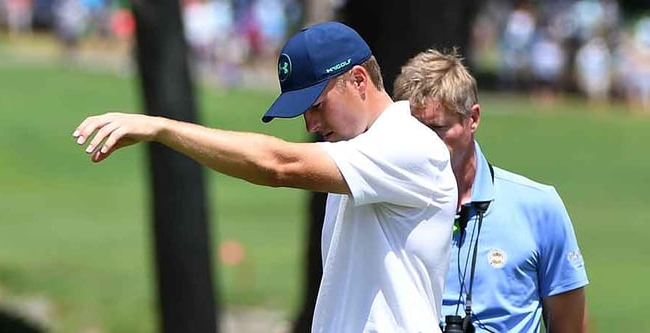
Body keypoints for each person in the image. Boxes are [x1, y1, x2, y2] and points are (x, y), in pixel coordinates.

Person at [72, 22, 457, 332]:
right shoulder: (359, 150)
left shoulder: (407, 143)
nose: (310, 122)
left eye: (317, 104)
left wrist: (160, 128)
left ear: (358, 80)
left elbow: (276, 165)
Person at [393, 49, 589, 333]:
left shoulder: (538, 206)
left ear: (472, 119)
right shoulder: (388, 205)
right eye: (415, 130)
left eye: (437, 128)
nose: (424, 144)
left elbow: (570, 325)